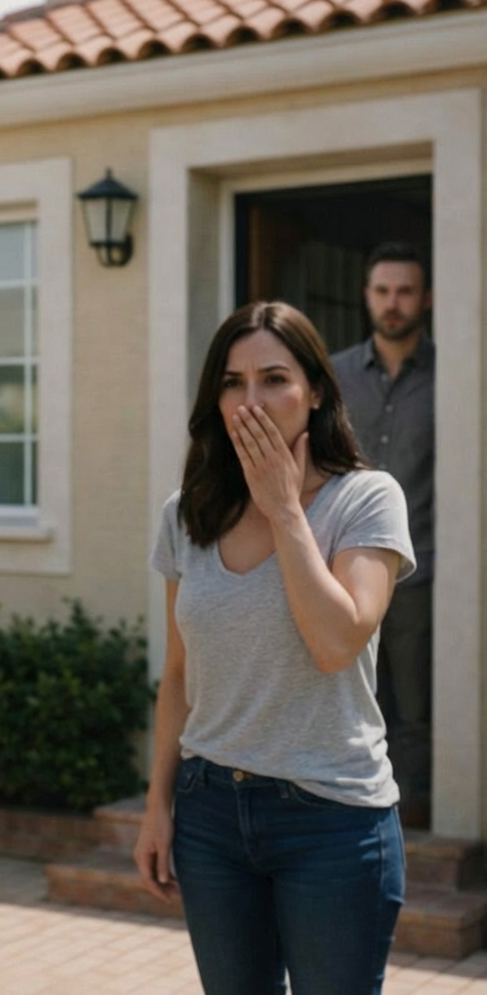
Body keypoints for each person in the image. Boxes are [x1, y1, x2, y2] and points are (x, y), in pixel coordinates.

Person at [134, 301, 414, 995]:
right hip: (210, 815)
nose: (250, 401)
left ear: (316, 391)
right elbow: (177, 674)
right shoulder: (187, 513)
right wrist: (157, 805)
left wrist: (286, 509)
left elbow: (335, 643)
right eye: (232, 382)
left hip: (333, 820)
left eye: (274, 379)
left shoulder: (366, 500)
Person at [332, 242, 434, 828]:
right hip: (345, 568)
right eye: (381, 291)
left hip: (426, 567)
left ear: (426, 299)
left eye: (404, 291)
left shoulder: (456, 372)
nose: (392, 304)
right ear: (366, 296)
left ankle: (412, 818)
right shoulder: (336, 375)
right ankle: (353, 809)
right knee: (353, 694)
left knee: (416, 704)